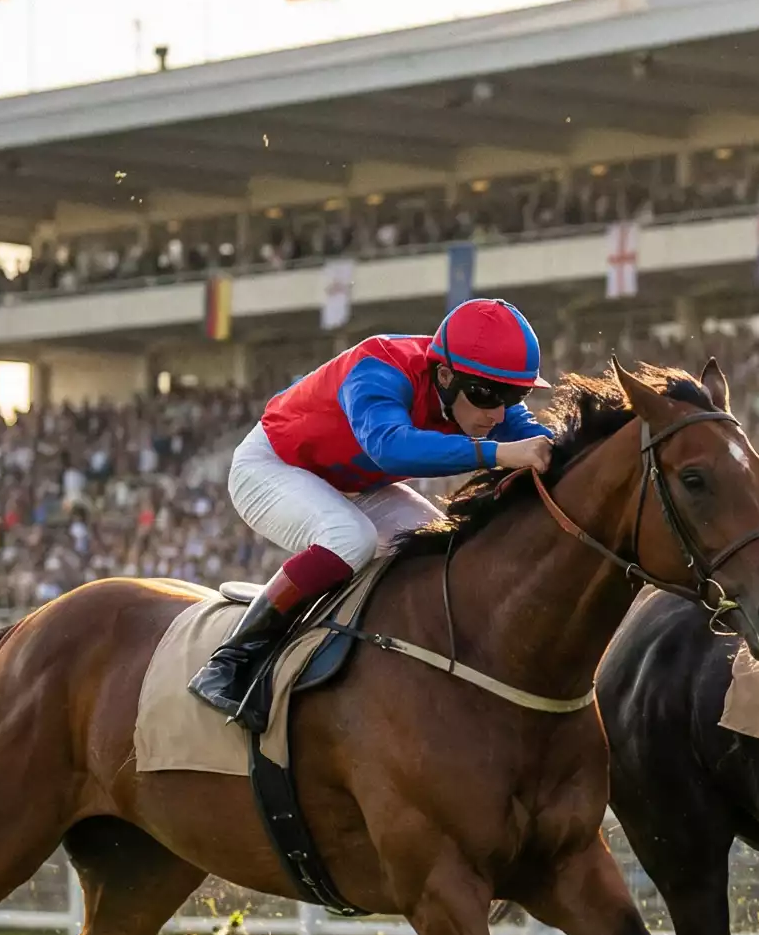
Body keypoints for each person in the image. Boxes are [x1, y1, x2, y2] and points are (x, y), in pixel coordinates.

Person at [190, 298, 557, 728]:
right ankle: (230, 661)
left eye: (515, 396)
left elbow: (544, 443)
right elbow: (389, 446)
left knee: (438, 550)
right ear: (444, 374)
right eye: (487, 396)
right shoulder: (379, 366)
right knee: (351, 539)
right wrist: (499, 453)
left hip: (355, 484)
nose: (498, 413)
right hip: (272, 466)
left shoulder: (477, 387)